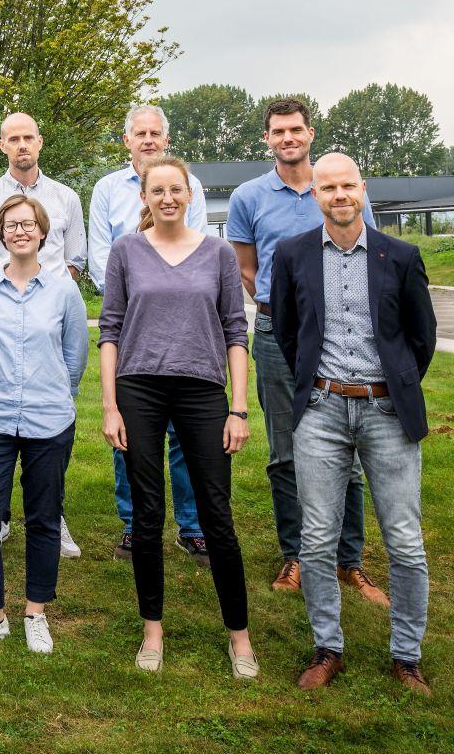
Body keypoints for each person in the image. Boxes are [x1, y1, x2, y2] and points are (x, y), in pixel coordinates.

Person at [274, 154, 438, 694]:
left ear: (363, 190)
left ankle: (406, 656)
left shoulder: (402, 256)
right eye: (329, 187)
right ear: (315, 194)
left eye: (348, 185)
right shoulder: (294, 254)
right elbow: (289, 333)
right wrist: (317, 385)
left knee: (405, 540)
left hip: (387, 410)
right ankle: (328, 648)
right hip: (320, 411)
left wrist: (393, 384)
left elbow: (422, 337)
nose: (339, 195)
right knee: (317, 540)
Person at [98, 155, 258, 679]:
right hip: (139, 389)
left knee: (217, 516)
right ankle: (152, 630)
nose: (167, 197)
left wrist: (238, 408)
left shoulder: (216, 254)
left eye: (177, 189)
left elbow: (237, 332)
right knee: (147, 516)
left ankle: (240, 637)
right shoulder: (125, 251)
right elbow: (110, 330)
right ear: (143, 197)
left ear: (191, 195)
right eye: (157, 190)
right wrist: (110, 405)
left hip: (202, 390)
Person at [226, 98, 385, 601]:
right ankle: (294, 555)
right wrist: (283, 311)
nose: (288, 138)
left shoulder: (340, 187)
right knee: (285, 450)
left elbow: (368, 251)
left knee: (350, 446)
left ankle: (349, 561)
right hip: (278, 334)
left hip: (342, 334)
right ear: (268, 139)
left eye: (296, 129)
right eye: (278, 131)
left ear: (310, 134)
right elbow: (247, 270)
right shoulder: (248, 197)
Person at [0, 194, 88, 656]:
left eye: (29, 224)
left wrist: (52, 393)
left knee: (43, 519)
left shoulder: (64, 289)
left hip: (49, 420)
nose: (21, 231)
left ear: (43, 232)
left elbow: (74, 357)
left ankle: (35, 613)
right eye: (11, 225)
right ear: (1, 234)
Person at [88, 103, 211, 567]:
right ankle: (135, 526)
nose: (147, 140)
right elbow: (100, 252)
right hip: (131, 320)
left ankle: (192, 527)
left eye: (155, 133)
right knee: (130, 431)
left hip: (185, 323)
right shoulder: (106, 190)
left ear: (166, 138)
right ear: (127, 141)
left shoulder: (189, 186)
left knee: (184, 432)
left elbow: (195, 248)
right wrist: (133, 289)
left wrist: (168, 285)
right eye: (139, 133)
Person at [0, 111, 88, 557]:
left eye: (28, 137)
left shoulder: (66, 198)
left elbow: (76, 260)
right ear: (2, 145)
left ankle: (51, 517)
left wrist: (49, 296)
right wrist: (7, 294)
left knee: (50, 433)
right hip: (1, 311)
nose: (21, 146)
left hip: (51, 315)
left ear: (40, 141)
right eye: (12, 138)